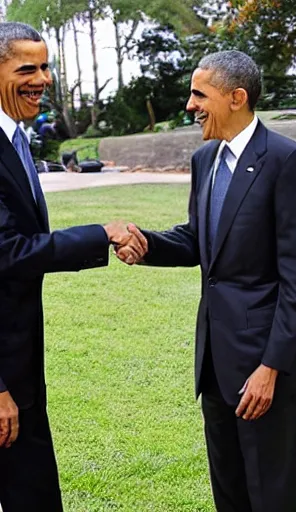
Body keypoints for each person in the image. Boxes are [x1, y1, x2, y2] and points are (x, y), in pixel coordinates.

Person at [119, 50, 296, 512]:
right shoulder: (204, 158)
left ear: (237, 97)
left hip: (264, 368)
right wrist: (145, 244)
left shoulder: (289, 162)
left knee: (271, 496)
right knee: (229, 494)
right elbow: (198, 240)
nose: (190, 105)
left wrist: (271, 368)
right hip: (215, 360)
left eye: (199, 94)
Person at [0, 22, 147, 511]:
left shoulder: (16, 142)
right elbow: (10, 251)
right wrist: (101, 234)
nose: (41, 78)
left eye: (45, 66)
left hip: (21, 369)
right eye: (27, 68)